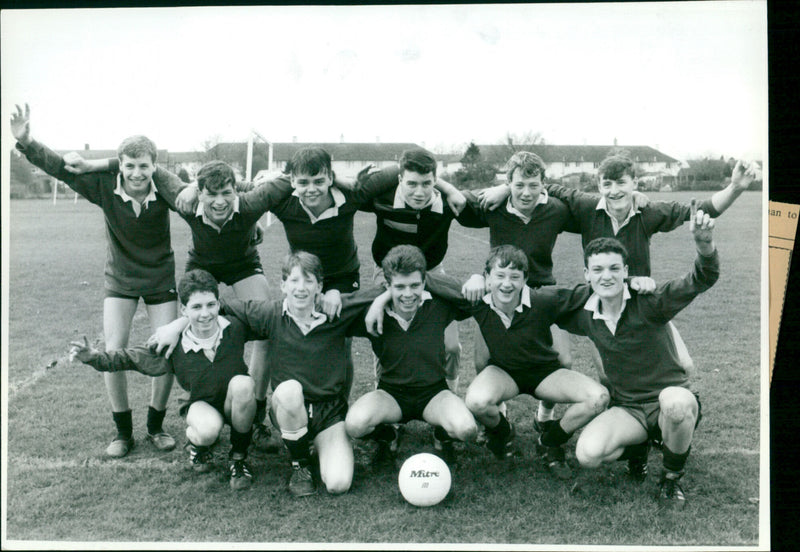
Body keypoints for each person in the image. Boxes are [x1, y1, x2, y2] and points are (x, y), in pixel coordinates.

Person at [368, 245, 652, 480]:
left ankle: (550, 441)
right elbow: (423, 280)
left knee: (598, 397)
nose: (506, 284)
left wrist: (632, 282)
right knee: (476, 401)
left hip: (545, 372)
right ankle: (503, 434)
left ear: (525, 279)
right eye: (499, 276)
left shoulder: (544, 300)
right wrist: (383, 298)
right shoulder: (477, 299)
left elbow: (588, 290)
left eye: (515, 277)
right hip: (503, 372)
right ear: (488, 278)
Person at [10, 103, 188, 458]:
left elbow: (194, 198)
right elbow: (60, 168)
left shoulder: (165, 188)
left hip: (159, 278)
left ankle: (155, 425)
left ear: (154, 167)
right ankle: (123, 432)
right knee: (113, 349)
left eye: (144, 166)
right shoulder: (104, 186)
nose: (137, 173)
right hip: (121, 278)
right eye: (130, 166)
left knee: (166, 349)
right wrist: (28, 142)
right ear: (120, 165)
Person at [150, 252, 380, 497]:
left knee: (338, 484)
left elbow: (385, 291)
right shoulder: (270, 313)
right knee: (290, 390)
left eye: (309, 281)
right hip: (288, 407)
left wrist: (373, 298)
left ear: (320, 286)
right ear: (282, 285)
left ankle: (316, 446)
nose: (301, 288)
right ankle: (300, 464)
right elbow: (216, 306)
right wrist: (176, 325)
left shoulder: (336, 310)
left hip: (329, 413)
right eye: (294, 280)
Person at [558, 201, 719, 509]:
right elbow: (541, 302)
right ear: (586, 274)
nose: (606, 276)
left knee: (676, 404)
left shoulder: (651, 301)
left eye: (614, 269)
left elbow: (701, 279)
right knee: (588, 454)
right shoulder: (584, 312)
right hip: (629, 408)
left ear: (626, 272)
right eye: (598, 270)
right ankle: (639, 448)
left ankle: (671, 478)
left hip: (668, 400)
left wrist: (704, 245)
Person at [70, 269, 257, 489]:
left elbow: (271, 324)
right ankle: (198, 445)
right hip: (201, 405)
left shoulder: (235, 327)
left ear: (219, 304)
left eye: (210, 305)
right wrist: (94, 358)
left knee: (244, 384)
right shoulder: (173, 344)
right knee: (207, 431)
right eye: (196, 307)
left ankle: (238, 458)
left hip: (235, 402)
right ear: (184, 310)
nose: (205, 313)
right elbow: (131, 357)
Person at [346, 245, 477, 467]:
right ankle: (387, 435)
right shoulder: (372, 313)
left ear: (425, 282)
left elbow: (470, 297)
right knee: (355, 425)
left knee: (467, 429)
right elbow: (343, 305)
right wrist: (379, 298)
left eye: (415, 285)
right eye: (399, 287)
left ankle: (442, 435)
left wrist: (476, 279)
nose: (408, 294)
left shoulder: (439, 305)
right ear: (387, 285)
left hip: (433, 393)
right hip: (391, 394)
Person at [357, 147, 468, 391]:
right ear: (399, 179)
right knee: (385, 336)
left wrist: (451, 190)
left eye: (426, 183)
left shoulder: (449, 203)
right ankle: (382, 392)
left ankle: (450, 394)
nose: (419, 192)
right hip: (387, 273)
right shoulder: (381, 197)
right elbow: (347, 191)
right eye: (412, 184)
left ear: (435, 181)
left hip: (432, 271)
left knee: (451, 346)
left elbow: (492, 202)